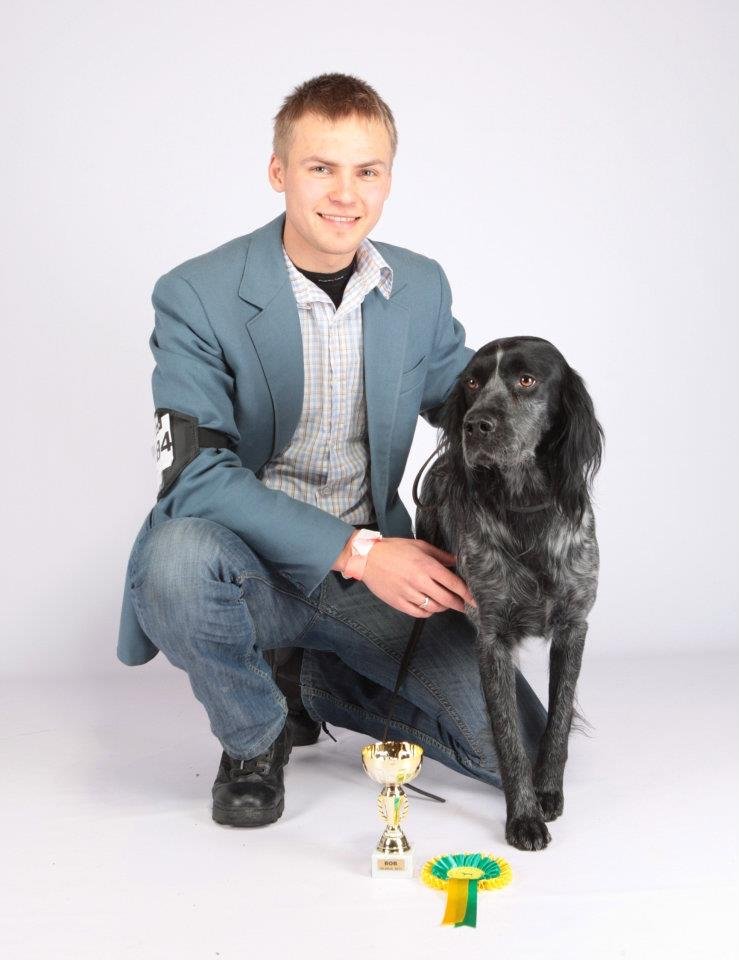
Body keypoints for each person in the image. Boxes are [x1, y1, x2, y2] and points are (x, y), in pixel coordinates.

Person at [118, 72, 548, 827]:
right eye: (321, 167)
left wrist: (525, 507)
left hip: (374, 579)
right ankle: (254, 738)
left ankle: (312, 684)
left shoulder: (418, 287)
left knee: (530, 757)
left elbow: (471, 413)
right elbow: (194, 478)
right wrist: (359, 552)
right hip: (248, 567)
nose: (345, 195)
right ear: (278, 171)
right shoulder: (195, 294)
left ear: (388, 180)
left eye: (366, 172)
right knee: (174, 562)